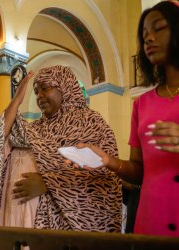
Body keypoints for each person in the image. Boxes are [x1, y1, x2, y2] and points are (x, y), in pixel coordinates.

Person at [72, 1, 179, 237]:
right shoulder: (142, 104)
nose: (149, 38)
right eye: (144, 35)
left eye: (159, 28)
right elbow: (140, 170)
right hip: (152, 221)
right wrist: (108, 160)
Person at [0, 65, 122, 231]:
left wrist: (49, 183)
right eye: (36, 92)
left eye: (45, 88)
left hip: (61, 229)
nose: (39, 96)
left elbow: (103, 179)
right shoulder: (34, 128)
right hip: (20, 221)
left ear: (65, 87)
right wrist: (17, 100)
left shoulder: (90, 123)